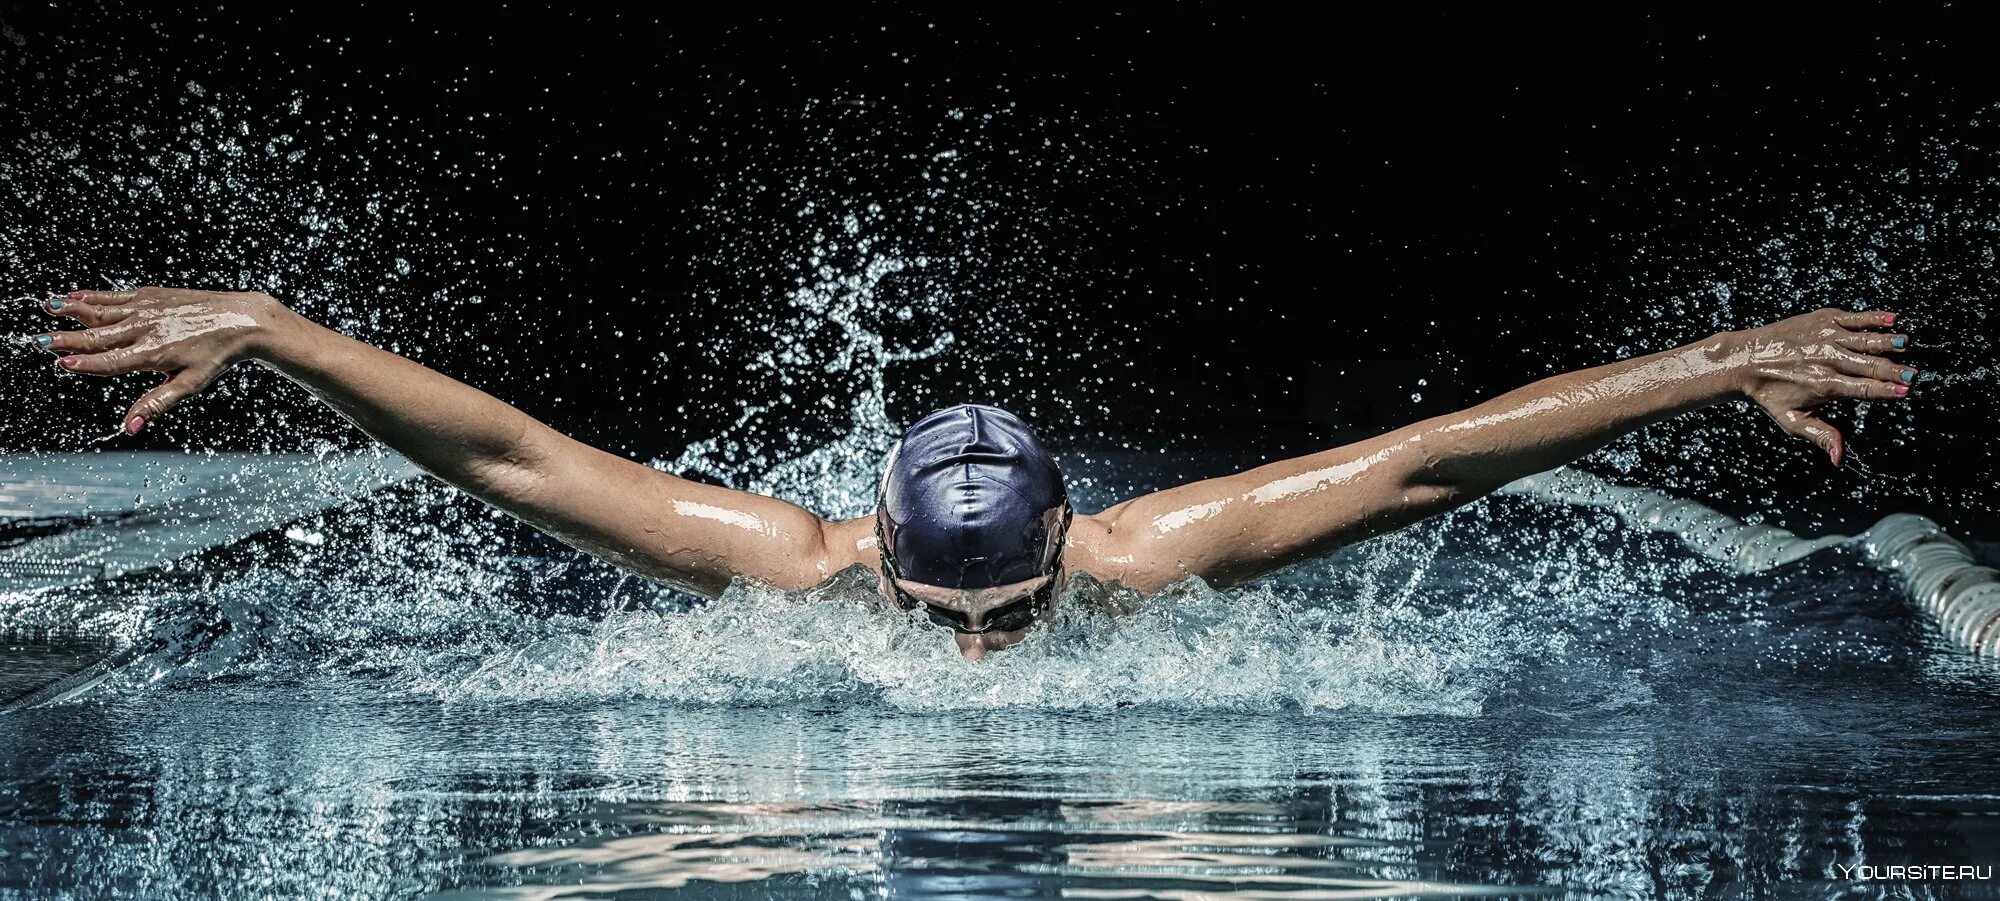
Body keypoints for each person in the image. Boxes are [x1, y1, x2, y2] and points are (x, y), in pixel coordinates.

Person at [32, 288, 1915, 658]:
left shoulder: (1147, 556)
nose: (978, 659)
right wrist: (275, 327)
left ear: (1067, 542)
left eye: (1009, 614)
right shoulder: (790, 561)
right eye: (939, 620)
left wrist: (1717, 360)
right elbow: (515, 456)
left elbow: (1429, 457)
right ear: (874, 555)